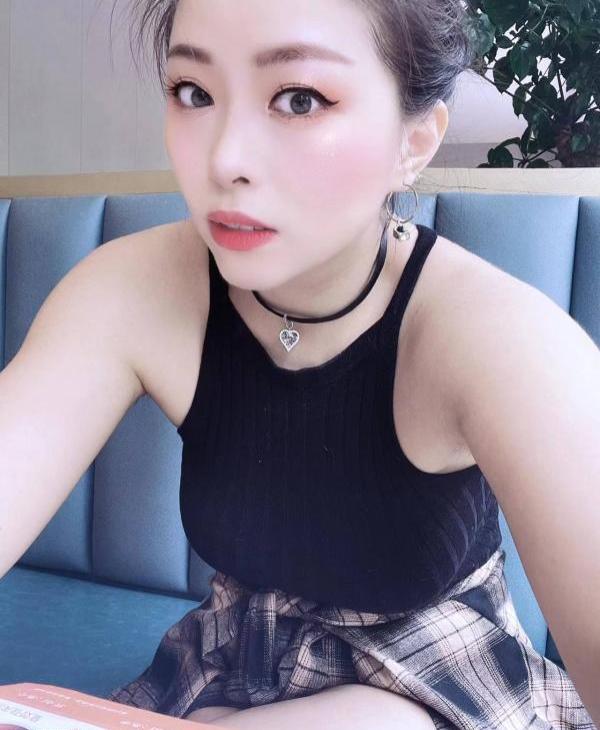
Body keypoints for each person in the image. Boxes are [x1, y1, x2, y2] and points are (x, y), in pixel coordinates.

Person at [2, 0, 595, 728]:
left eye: (300, 99)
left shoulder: (500, 339)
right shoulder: (132, 290)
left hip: (433, 679)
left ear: (413, 140)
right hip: (237, 658)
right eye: (194, 92)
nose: (225, 160)